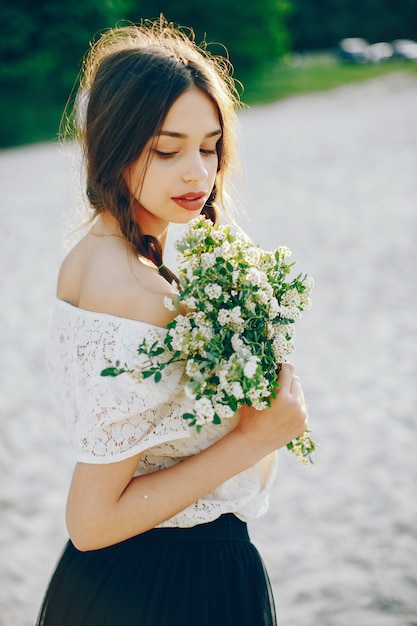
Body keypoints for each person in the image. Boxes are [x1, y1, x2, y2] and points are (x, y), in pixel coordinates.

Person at [36, 18, 308, 626]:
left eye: (210, 146)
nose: (197, 173)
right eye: (166, 149)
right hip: (168, 585)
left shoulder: (93, 258)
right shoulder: (133, 288)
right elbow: (90, 520)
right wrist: (257, 437)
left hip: (125, 582)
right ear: (113, 144)